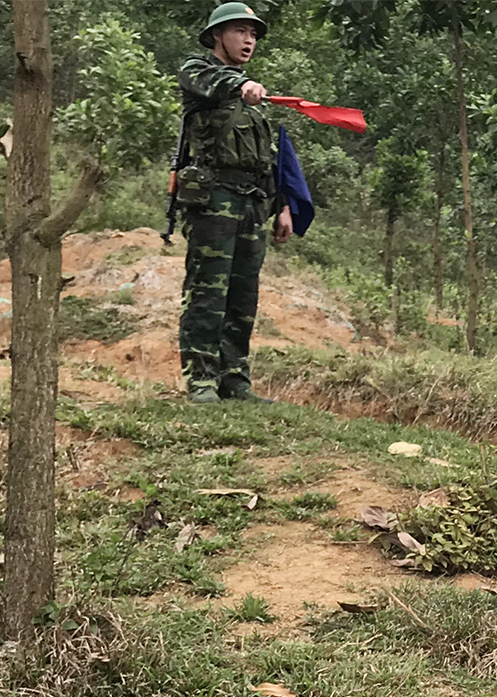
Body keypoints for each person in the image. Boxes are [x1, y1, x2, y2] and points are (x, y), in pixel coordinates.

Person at [176, 2, 292, 405]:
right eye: (241, 31)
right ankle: (202, 380)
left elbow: (264, 158)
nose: (249, 40)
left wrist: (282, 205)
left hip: (253, 203)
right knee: (208, 291)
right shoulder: (200, 73)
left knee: (243, 296)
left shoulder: (253, 97)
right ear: (217, 36)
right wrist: (239, 85)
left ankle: (234, 379)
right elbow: (205, 78)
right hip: (214, 199)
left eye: (253, 34)